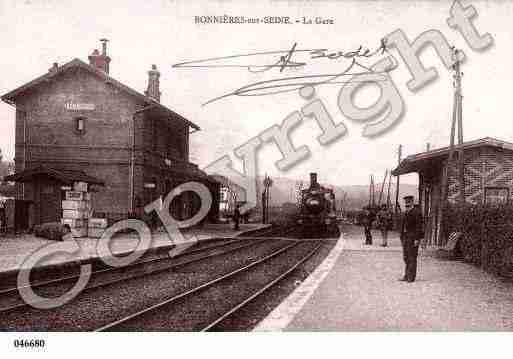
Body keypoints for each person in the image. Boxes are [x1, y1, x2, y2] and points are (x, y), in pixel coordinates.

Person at [399, 196, 424, 282]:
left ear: (412, 202)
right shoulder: (405, 212)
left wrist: (417, 239)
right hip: (405, 238)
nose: (407, 203)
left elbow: (419, 227)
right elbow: (402, 226)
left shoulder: (417, 212)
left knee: (412, 257)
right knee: (406, 257)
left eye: (409, 202)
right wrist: (401, 237)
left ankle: (411, 277)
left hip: (413, 238)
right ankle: (406, 275)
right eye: (406, 202)